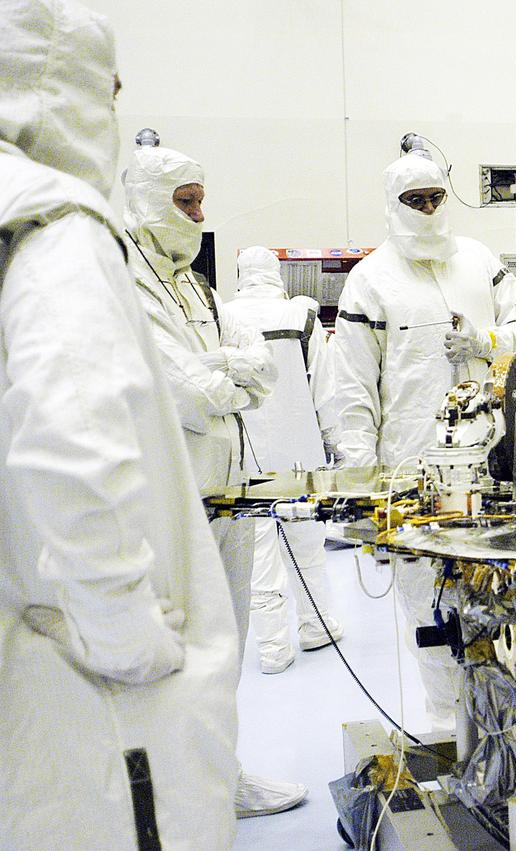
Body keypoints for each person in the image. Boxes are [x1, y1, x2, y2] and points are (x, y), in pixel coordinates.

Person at [0, 1, 239, 846]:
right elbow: (69, 444)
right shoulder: (60, 232)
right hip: (97, 693)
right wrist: (128, 637)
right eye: (109, 91)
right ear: (59, 88)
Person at [122, 141, 309, 817]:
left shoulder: (196, 285)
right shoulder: (126, 285)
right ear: (148, 202)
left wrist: (228, 377)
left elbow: (257, 365)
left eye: (201, 199)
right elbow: (184, 395)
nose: (199, 214)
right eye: (185, 200)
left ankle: (221, 777)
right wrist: (232, 379)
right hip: (173, 506)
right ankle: (179, 791)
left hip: (229, 492)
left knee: (225, 651)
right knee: (181, 658)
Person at [331, 150, 516, 731]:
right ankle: (448, 732)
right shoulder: (371, 280)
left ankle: (509, 740)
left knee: (508, 612)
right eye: (416, 201)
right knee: (432, 616)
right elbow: (353, 390)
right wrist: (365, 482)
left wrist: (486, 339)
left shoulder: (479, 262)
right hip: (415, 477)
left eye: (436, 198)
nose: (429, 210)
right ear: (395, 205)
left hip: (496, 469)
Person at [224, 246, 345, 674]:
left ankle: (273, 649)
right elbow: (325, 391)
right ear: (276, 273)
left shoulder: (223, 316)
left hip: (244, 458)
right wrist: (337, 444)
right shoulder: (301, 315)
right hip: (300, 455)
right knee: (307, 545)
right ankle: (317, 627)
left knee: (258, 553)